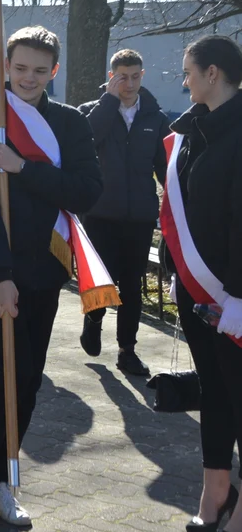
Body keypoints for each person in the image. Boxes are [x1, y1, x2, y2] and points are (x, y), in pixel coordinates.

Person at [0, 26, 102, 527]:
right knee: (9, 373)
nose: (28, 78)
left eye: (40, 70)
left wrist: (23, 168)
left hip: (45, 270)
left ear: (53, 72)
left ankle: (3, 476)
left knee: (31, 381)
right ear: (5, 68)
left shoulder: (68, 123)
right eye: (19, 68)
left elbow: (85, 192)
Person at [158, 36, 242, 532]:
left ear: (213, 73)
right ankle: (215, 493)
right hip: (197, 291)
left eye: (188, 72)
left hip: (233, 297)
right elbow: (178, 209)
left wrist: (238, 294)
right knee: (214, 391)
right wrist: (177, 269)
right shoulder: (191, 131)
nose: (183, 81)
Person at [76, 49, 171, 377]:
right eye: (121, 77)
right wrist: (109, 102)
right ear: (111, 78)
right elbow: (86, 143)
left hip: (140, 216)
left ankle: (127, 351)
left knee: (131, 284)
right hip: (100, 213)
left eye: (134, 77)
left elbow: (164, 167)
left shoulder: (156, 118)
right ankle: (93, 321)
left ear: (141, 76)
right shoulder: (92, 110)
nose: (128, 84)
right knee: (102, 281)